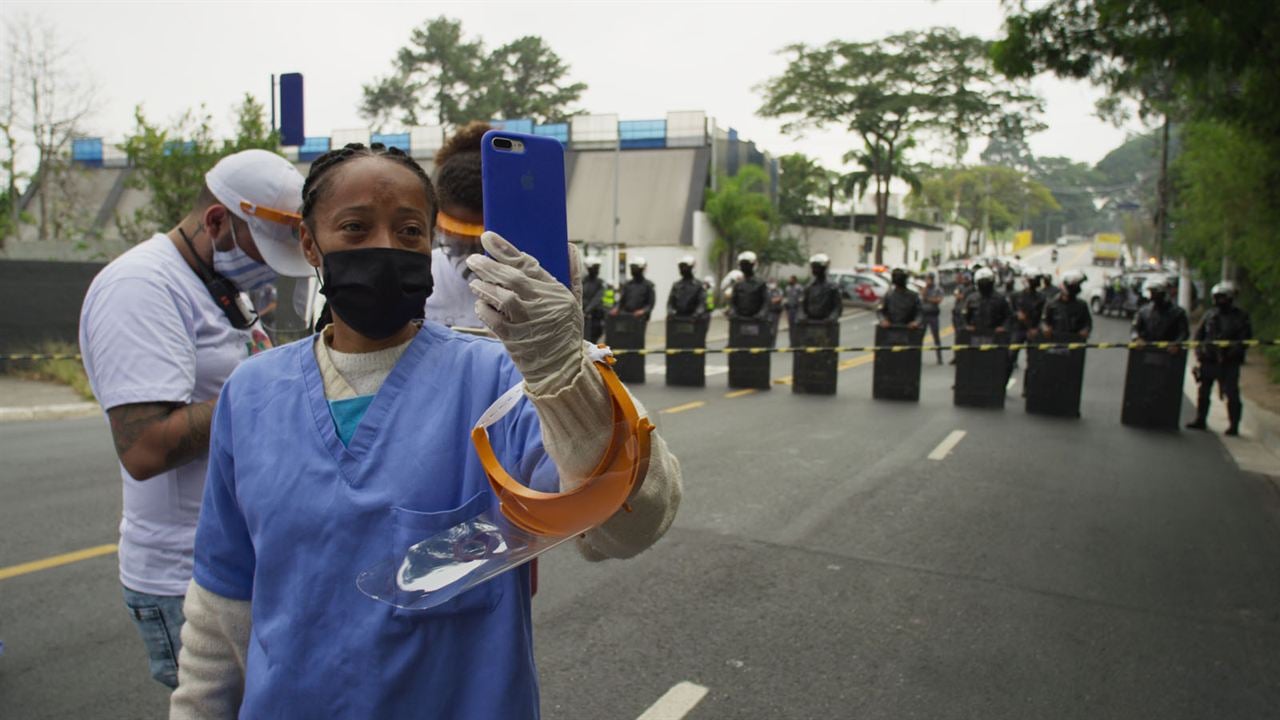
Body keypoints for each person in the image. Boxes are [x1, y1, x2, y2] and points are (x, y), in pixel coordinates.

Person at [170, 143, 682, 718]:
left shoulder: (501, 380)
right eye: (355, 227)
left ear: (430, 241)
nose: (385, 247)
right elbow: (222, 605)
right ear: (310, 244)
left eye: (409, 230)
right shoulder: (252, 393)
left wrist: (563, 370)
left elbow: (631, 526)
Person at [77, 149, 308, 689]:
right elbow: (145, 448)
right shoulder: (140, 288)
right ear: (216, 222)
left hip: (239, 557)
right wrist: (271, 385)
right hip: (184, 574)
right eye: (264, 251)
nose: (270, 268)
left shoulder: (212, 281)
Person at [424, 122, 490, 330]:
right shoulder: (421, 281)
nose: (471, 252)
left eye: (482, 239)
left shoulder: (540, 285)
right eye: (457, 234)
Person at [1187, 282, 1253, 435]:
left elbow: (1245, 339)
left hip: (1229, 362)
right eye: (1217, 297)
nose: (1219, 301)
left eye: (1222, 297)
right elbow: (1199, 335)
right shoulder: (1210, 315)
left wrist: (1231, 353)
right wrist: (1200, 352)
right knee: (1203, 391)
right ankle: (1200, 419)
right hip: (1208, 360)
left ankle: (1234, 425)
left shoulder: (1241, 316)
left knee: (1232, 393)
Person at [1130, 277, 1189, 347]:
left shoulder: (1178, 312)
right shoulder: (1143, 311)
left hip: (1169, 352)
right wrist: (1136, 338)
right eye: (1152, 293)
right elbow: (1134, 328)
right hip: (1147, 351)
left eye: (1155, 293)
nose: (1152, 297)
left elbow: (1184, 333)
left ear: (1164, 294)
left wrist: (1176, 344)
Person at [1009, 267, 1045, 377]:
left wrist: (1037, 329)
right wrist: (1017, 315)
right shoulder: (1016, 296)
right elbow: (1009, 313)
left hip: (1034, 331)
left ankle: (1029, 389)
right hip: (1018, 330)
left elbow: (1044, 317)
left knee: (1033, 361)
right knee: (1010, 357)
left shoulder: (1042, 298)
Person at [1041, 269, 1092, 340]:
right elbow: (1044, 320)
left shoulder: (1082, 305)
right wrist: (1045, 328)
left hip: (1075, 342)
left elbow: (1087, 323)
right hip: (1055, 342)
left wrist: (1086, 330)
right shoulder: (1051, 304)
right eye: (1075, 286)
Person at [963, 267, 1011, 336]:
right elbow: (964, 316)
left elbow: (1008, 315)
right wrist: (968, 326)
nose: (984, 285)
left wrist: (1004, 327)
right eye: (981, 282)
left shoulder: (1000, 298)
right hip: (977, 335)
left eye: (986, 282)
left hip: (996, 335)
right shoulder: (971, 299)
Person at [797, 253, 842, 323]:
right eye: (813, 267)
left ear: (823, 269)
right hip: (810, 322)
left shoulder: (832, 287)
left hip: (826, 323)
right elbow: (802, 304)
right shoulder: (808, 287)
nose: (814, 270)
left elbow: (837, 307)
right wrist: (801, 315)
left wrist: (832, 317)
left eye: (816, 267)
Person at [728, 251, 769, 321]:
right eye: (742, 265)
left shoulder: (760, 283)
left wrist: (762, 313)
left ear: (753, 265)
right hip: (739, 320)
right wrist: (733, 312)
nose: (744, 267)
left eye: (746, 264)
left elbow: (766, 302)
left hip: (756, 320)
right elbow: (733, 302)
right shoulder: (738, 284)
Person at [666, 255, 708, 321]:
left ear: (692, 268)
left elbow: (702, 303)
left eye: (685, 267)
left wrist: (696, 314)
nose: (683, 270)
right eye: (681, 267)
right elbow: (670, 302)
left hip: (694, 319)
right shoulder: (676, 285)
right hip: (678, 318)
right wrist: (670, 312)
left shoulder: (699, 285)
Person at [920, 272, 945, 364]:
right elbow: (922, 298)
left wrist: (929, 299)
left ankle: (939, 358)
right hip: (924, 315)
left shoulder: (937, 289)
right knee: (920, 336)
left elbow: (938, 300)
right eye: (926, 279)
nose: (927, 281)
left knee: (936, 337)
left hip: (933, 315)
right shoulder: (925, 288)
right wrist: (925, 289)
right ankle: (917, 357)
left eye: (929, 279)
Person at [581, 256, 607, 342]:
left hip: (596, 317)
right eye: (595, 267)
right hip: (583, 317)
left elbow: (598, 298)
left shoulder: (601, 283)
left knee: (594, 339)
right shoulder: (583, 282)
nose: (597, 270)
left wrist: (587, 311)